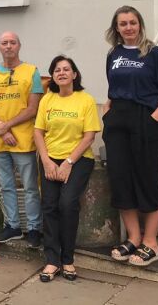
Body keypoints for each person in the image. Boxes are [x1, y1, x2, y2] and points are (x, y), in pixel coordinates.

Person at [104, 5, 158, 267]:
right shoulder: (113, 54)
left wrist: (151, 120)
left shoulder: (155, 54)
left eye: (132, 22)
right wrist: (108, 114)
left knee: (147, 179)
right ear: (117, 28)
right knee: (121, 179)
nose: (128, 27)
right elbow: (114, 89)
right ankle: (133, 238)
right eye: (123, 24)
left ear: (140, 24)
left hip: (147, 121)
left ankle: (151, 242)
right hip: (118, 125)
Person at [34, 56, 101, 282]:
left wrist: (68, 163)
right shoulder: (47, 100)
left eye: (66, 69)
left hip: (78, 159)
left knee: (67, 203)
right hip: (50, 158)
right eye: (57, 70)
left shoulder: (86, 100)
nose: (62, 73)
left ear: (74, 74)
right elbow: (38, 132)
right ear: (53, 76)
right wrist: (46, 161)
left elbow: (89, 136)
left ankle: (68, 260)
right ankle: (52, 260)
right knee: (49, 205)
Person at [0, 31, 44, 248]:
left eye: (12, 42)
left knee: (29, 187)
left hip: (23, 140)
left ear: (19, 46)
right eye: (4, 43)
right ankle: (12, 226)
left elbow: (33, 108)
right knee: (6, 186)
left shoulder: (31, 72)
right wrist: (0, 128)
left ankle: (35, 228)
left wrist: (6, 125)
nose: (8, 46)